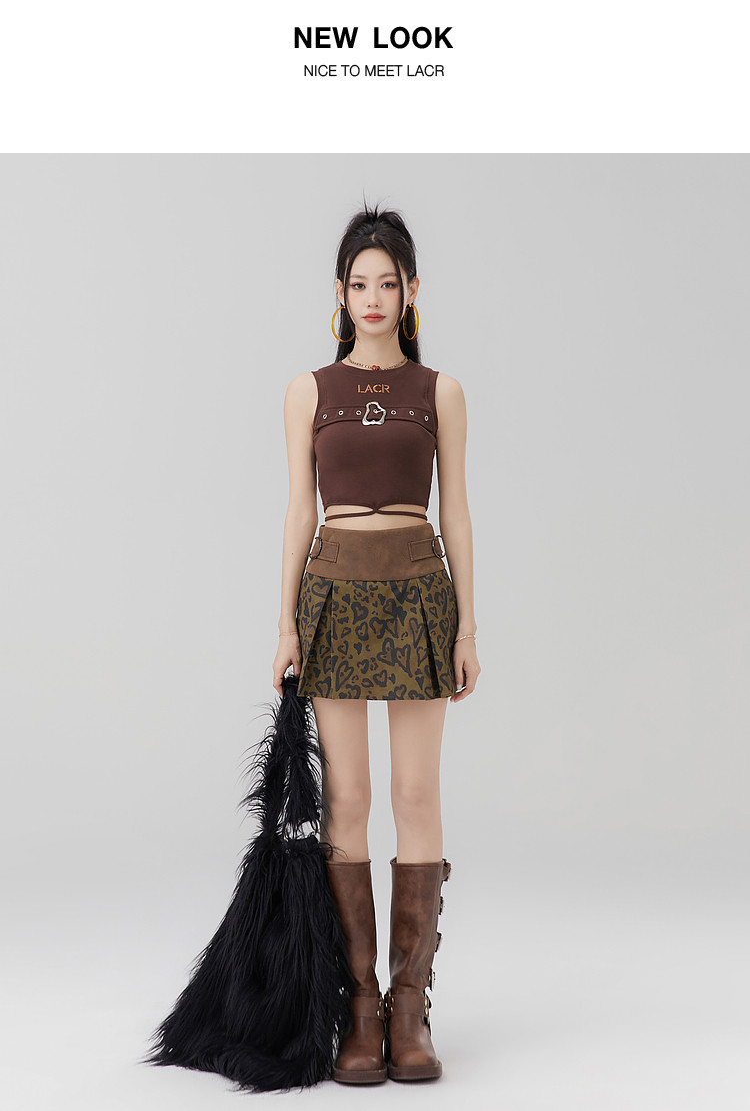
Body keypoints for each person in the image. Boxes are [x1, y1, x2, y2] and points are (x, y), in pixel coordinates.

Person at [272, 203, 480, 1084]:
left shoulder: (440, 392)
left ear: (411, 290)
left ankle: (410, 1010)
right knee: (349, 800)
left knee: (415, 792)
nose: (372, 298)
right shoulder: (308, 390)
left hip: (418, 593)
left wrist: (467, 624)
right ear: (339, 292)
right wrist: (285, 622)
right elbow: (300, 510)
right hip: (334, 594)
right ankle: (361, 1010)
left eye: (387, 283)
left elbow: (455, 511)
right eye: (359, 283)